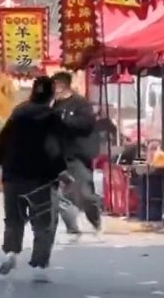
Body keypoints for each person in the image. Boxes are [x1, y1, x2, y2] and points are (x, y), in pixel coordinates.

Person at [0, 76, 65, 282]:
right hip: (40, 179)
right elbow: (55, 149)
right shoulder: (52, 117)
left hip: (13, 177)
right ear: (51, 95)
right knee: (43, 222)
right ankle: (39, 265)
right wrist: (61, 171)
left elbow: (2, 143)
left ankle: (11, 254)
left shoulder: (18, 113)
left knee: (13, 219)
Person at [51, 72, 102, 234]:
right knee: (53, 196)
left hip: (77, 156)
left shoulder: (80, 104)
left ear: (62, 85)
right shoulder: (54, 106)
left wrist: (64, 121)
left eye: (55, 86)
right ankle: (70, 227)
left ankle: (95, 217)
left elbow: (87, 124)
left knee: (85, 194)